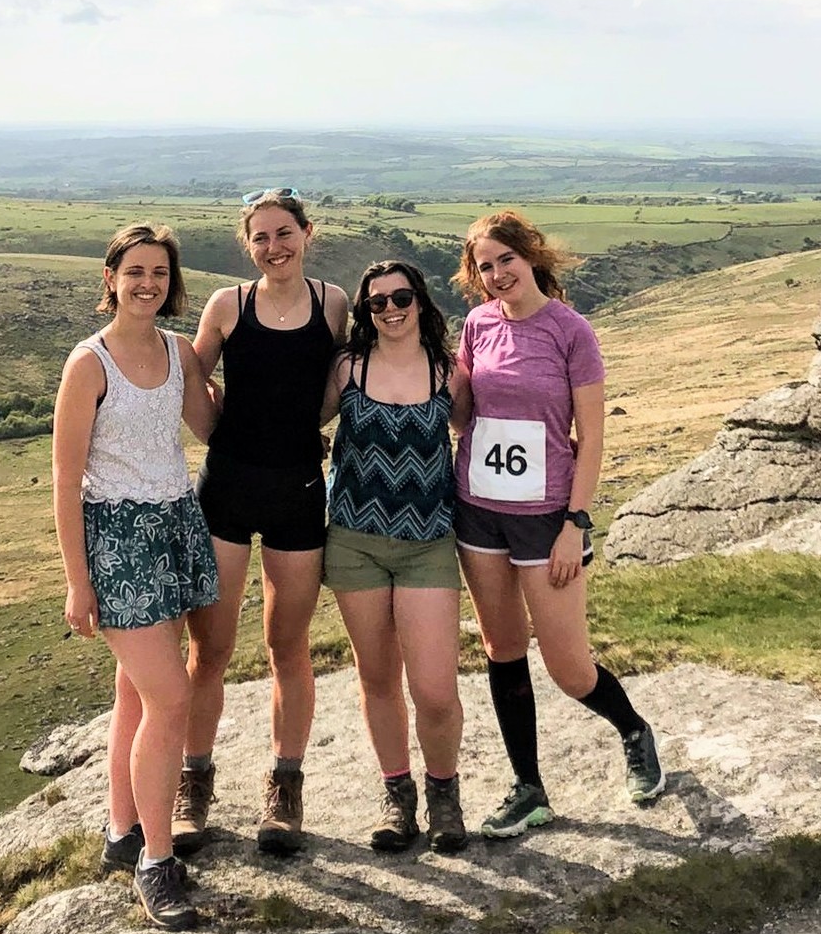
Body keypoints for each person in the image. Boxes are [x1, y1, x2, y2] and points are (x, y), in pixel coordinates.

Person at [452, 210, 665, 839]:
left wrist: (575, 523)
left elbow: (591, 439)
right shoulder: (477, 325)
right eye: (484, 266)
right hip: (477, 510)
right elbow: (464, 413)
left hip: (546, 519)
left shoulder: (571, 332)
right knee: (502, 649)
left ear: (531, 256)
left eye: (505, 260)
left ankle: (633, 729)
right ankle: (529, 788)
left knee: (569, 668)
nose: (496, 275)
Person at [52, 223, 218, 930]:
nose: (147, 283)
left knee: (135, 693)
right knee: (170, 696)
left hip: (176, 524)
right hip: (116, 540)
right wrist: (77, 581)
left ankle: (121, 832)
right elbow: (64, 482)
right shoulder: (88, 364)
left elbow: (214, 429)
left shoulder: (180, 352)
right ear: (111, 278)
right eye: (135, 271)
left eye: (159, 272)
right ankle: (156, 860)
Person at [174, 188, 349, 855]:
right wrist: (220, 431)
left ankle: (284, 787)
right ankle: (194, 784)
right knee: (209, 650)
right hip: (227, 489)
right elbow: (192, 377)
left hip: (299, 488)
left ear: (308, 233)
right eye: (261, 237)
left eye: (284, 233)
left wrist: (310, 425)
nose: (273, 246)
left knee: (287, 646)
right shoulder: (227, 305)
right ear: (246, 245)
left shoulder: (333, 303)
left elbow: (339, 380)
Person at [320, 260, 473, 853]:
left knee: (435, 689)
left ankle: (444, 794)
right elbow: (294, 421)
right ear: (365, 314)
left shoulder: (448, 373)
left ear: (420, 301)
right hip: (354, 543)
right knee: (378, 678)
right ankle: (397, 796)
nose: (390, 309)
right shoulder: (348, 368)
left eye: (400, 297)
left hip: (428, 544)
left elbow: (477, 432)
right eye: (376, 303)